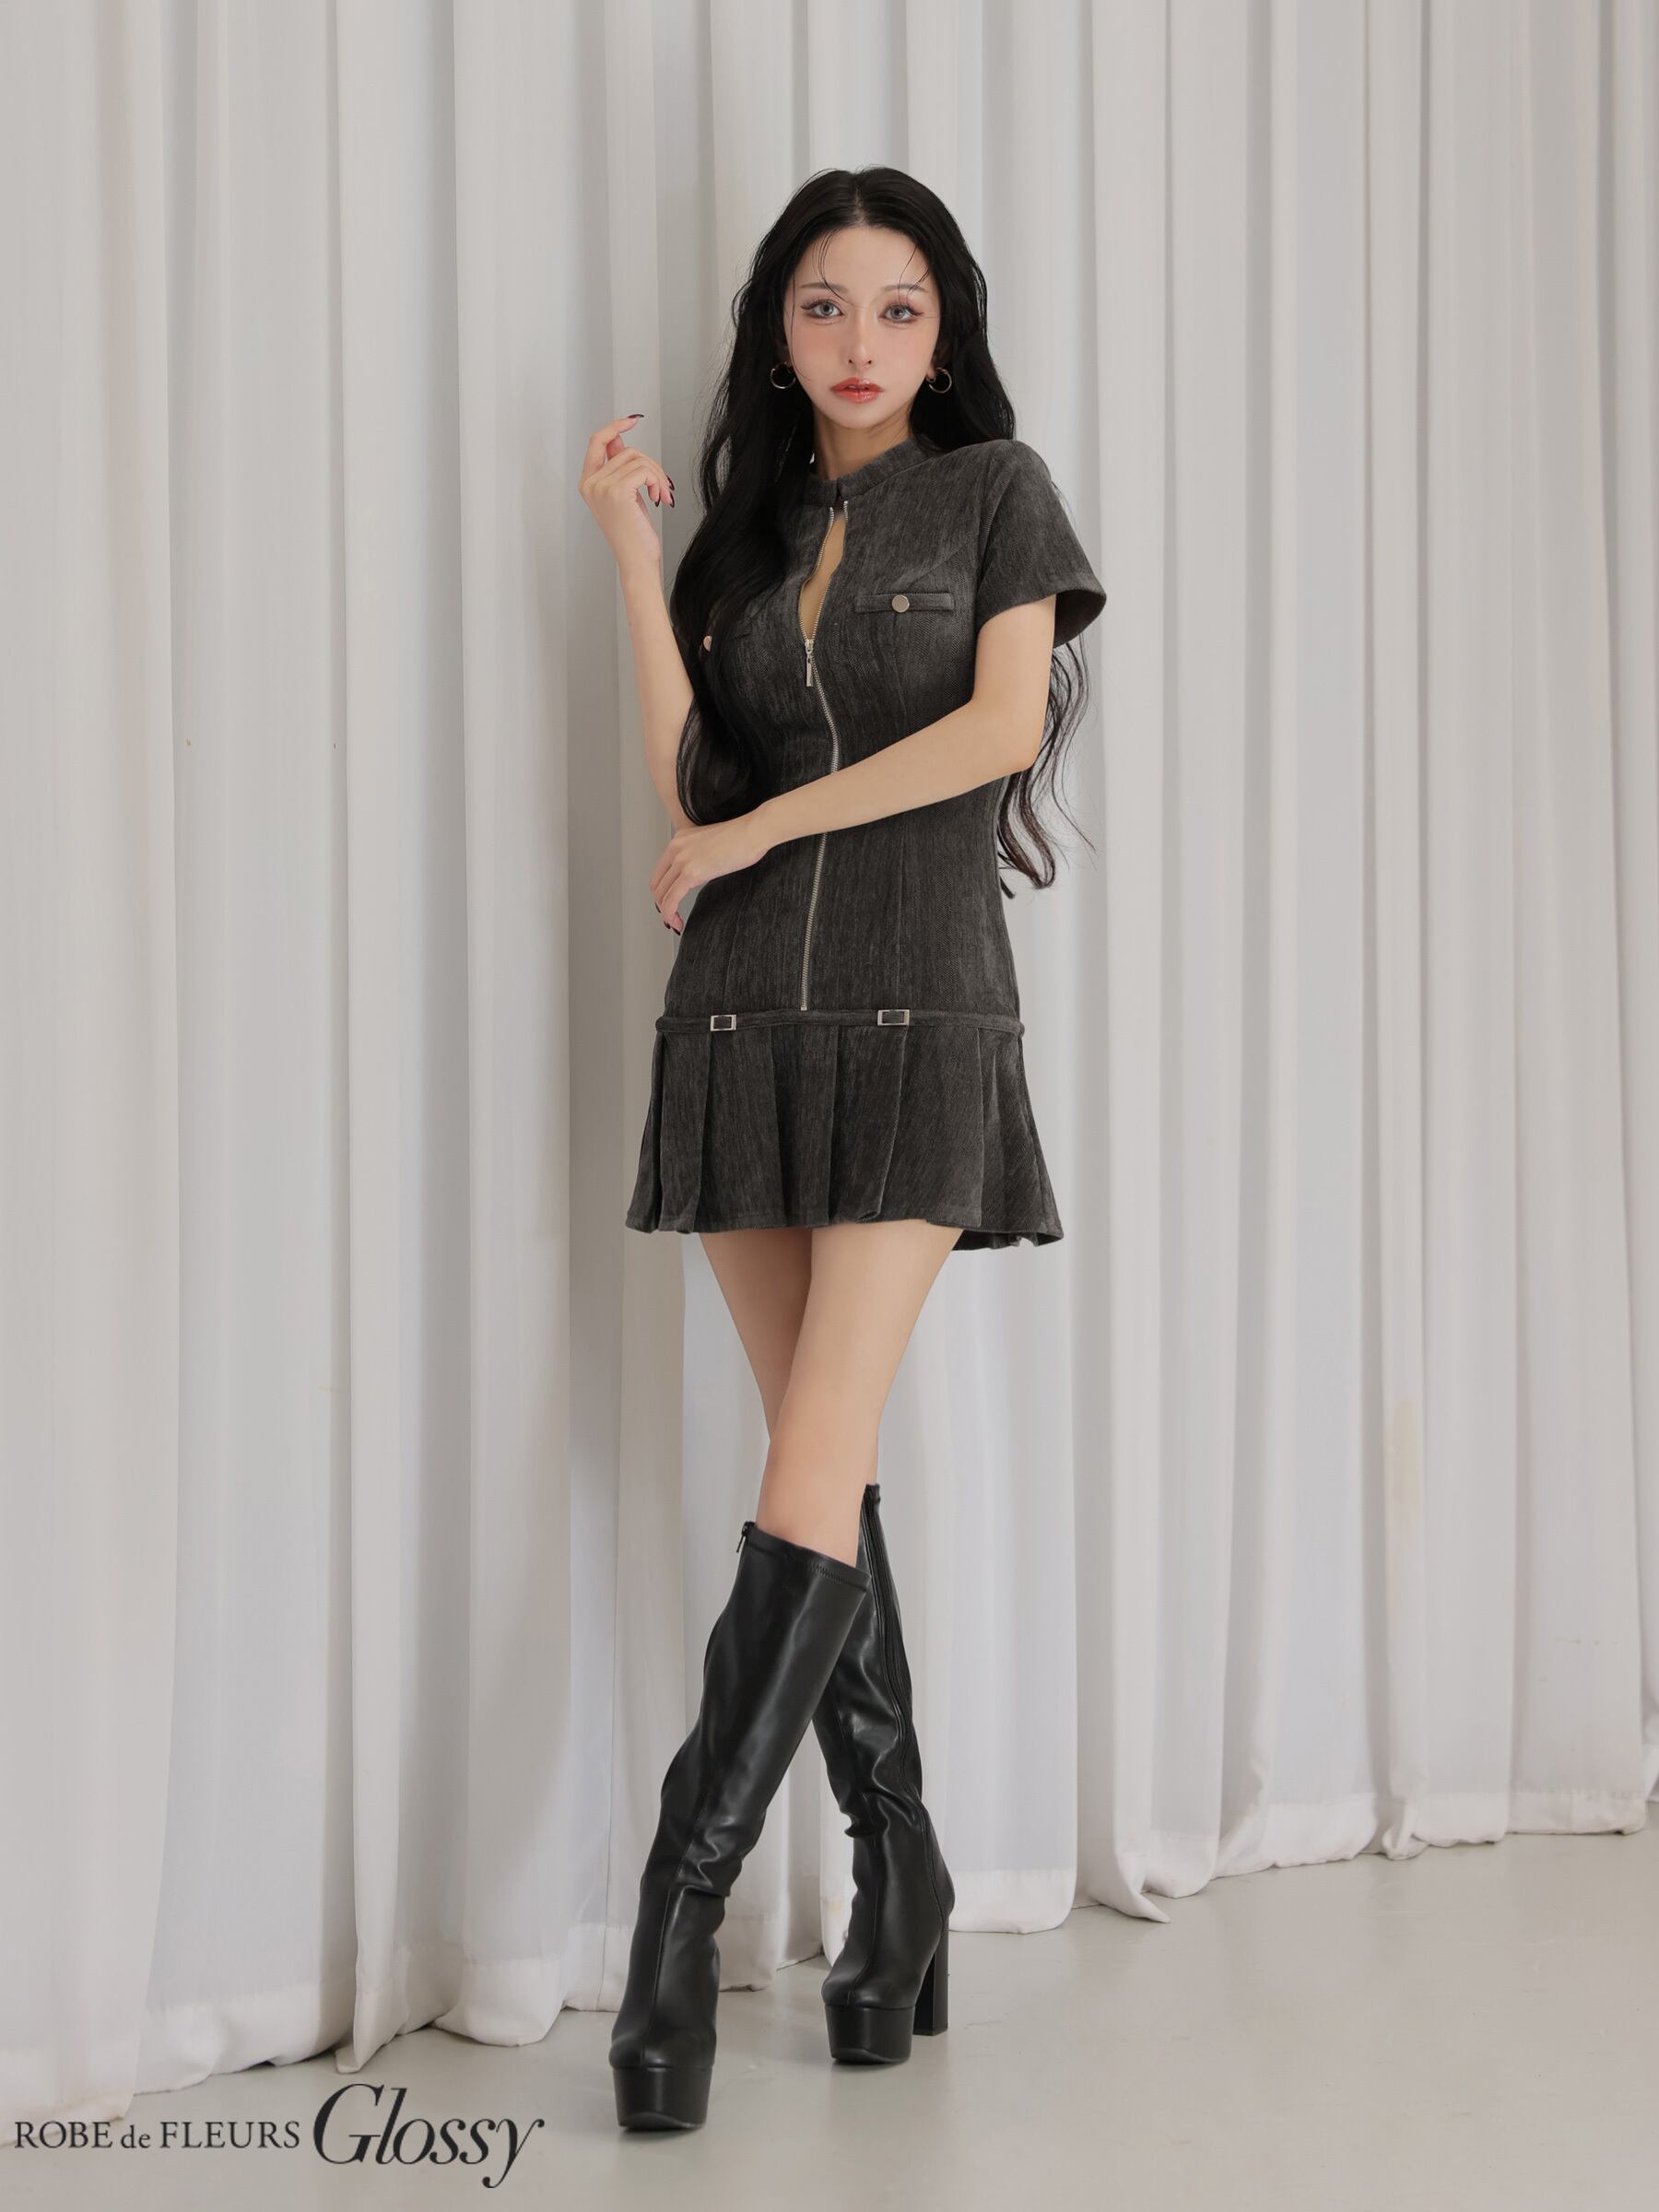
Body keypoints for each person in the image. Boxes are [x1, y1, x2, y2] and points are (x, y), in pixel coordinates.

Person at [579, 164, 1106, 2133]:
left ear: (942, 328)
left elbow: (993, 732)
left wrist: (760, 831)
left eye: (896, 307)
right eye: (822, 306)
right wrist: (636, 559)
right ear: (777, 330)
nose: (860, 342)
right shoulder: (753, 528)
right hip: (736, 1020)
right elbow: (690, 780)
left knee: (807, 1459)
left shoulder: (996, 495)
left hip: (912, 1016)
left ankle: (675, 1910)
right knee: (829, 1466)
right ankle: (904, 1873)